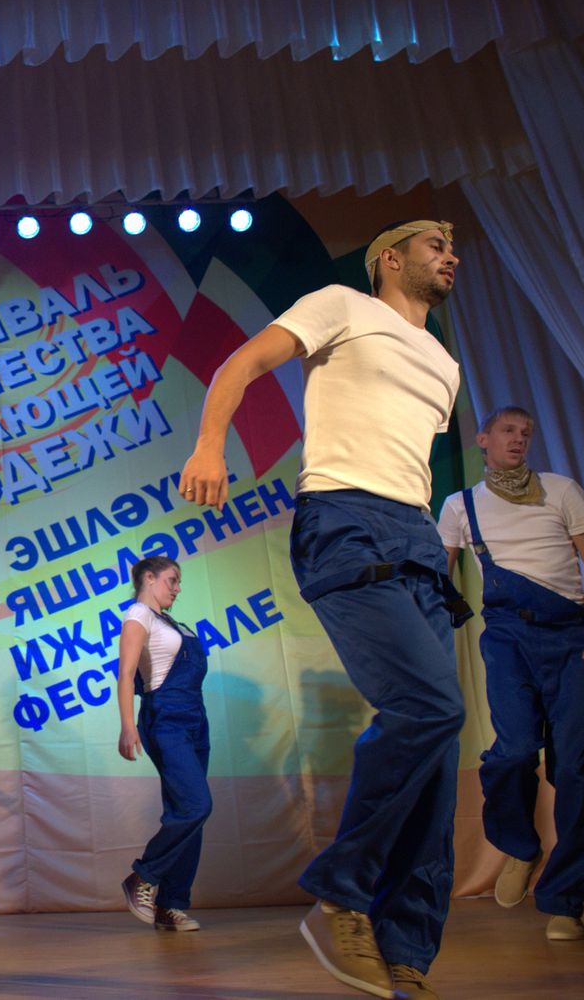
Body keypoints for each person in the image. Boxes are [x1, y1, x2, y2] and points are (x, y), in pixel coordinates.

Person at [179, 221, 471, 1000]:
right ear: (390, 258)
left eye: (454, 247)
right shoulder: (343, 304)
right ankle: (341, 891)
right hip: (344, 519)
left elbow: (409, 461)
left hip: (416, 537)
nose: (450, 254)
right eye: (434, 244)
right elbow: (243, 362)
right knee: (431, 707)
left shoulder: (445, 362)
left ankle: (406, 949)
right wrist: (210, 444)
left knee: (438, 750)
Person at [437, 406, 584, 942]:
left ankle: (565, 902)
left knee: (579, 769)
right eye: (509, 431)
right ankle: (519, 845)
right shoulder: (461, 505)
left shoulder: (561, 490)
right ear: (484, 439)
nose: (519, 439)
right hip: (508, 637)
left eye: (526, 433)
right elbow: (441, 579)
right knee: (513, 752)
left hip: (570, 636)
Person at [114, 555, 211, 934]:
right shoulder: (138, 614)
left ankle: (171, 905)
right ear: (149, 578)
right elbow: (125, 674)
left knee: (189, 813)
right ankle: (143, 876)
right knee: (196, 805)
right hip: (166, 718)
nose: (178, 588)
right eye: (172, 580)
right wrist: (127, 726)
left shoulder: (173, 623)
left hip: (195, 719)